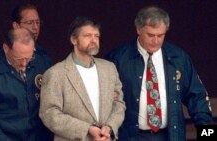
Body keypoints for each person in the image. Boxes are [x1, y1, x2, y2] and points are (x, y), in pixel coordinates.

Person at [106, 6, 213, 141]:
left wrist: (208, 133)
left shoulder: (178, 58)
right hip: (132, 136)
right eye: (150, 35)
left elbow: (197, 97)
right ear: (138, 29)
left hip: (171, 135)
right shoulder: (118, 58)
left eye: (160, 35)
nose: (156, 41)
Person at [39, 16, 126, 141]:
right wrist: (87, 129)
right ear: (74, 40)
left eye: (96, 36)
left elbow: (119, 104)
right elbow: (49, 113)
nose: (93, 40)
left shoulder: (109, 68)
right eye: (87, 36)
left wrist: (109, 127)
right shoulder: (55, 73)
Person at [0, 28, 53, 141]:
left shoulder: (42, 62)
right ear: (6, 48)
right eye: (18, 58)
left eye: (29, 57)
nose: (24, 63)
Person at [11, 3, 52, 67]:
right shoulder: (2, 58)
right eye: (29, 23)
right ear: (16, 26)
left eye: (37, 22)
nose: (35, 27)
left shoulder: (44, 56)